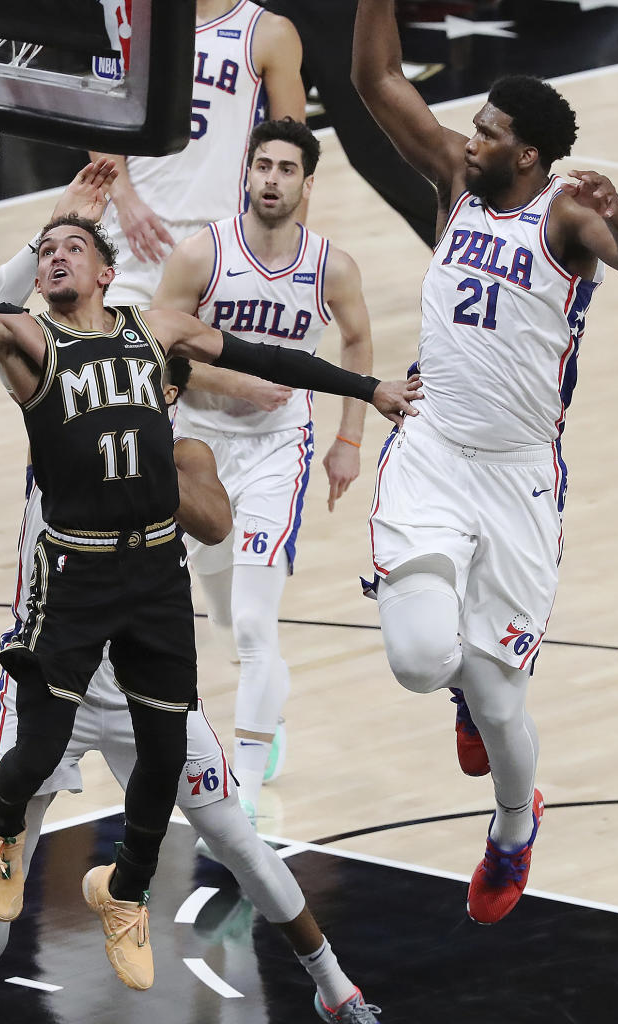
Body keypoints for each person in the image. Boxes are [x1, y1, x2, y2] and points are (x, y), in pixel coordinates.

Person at [0, 174, 421, 986]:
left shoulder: (161, 342)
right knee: (36, 750)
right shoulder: (30, 345)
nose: (54, 255)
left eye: (72, 245)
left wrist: (369, 390)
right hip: (71, 576)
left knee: (162, 759)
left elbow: (262, 358)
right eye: (45, 250)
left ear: (108, 274)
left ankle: (138, 896)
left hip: (148, 577)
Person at [0, 368, 404, 1024]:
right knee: (0, 866)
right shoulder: (52, 428)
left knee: (240, 842)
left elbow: (213, 523)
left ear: (165, 396)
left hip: (145, 682)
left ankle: (341, 996)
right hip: (55, 679)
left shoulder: (187, 458)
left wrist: (143, 459)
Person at [351, 0, 618, 924]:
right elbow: (377, 83)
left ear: (526, 153)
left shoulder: (566, 217)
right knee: (418, 658)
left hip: (520, 476)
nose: (468, 136)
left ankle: (515, 828)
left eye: (487, 130)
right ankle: (455, 678)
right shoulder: (455, 178)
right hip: (436, 448)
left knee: (499, 702)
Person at [151, 116, 380, 819]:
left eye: (287, 169)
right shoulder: (199, 257)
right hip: (198, 445)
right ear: (246, 173)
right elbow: (161, 353)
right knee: (223, 614)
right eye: (263, 166)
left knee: (253, 625)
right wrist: (236, 386)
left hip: (280, 450)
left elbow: (359, 337)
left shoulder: (330, 266)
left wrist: (349, 437)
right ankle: (265, 711)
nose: (272, 179)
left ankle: (242, 789)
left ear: (308, 183)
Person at [91, 0, 306, 309]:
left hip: (223, 239)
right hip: (133, 231)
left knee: (207, 358)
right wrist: (124, 198)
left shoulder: (269, 32)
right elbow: (103, 119)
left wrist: (288, 253)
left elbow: (295, 154)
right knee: (111, 352)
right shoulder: (132, 20)